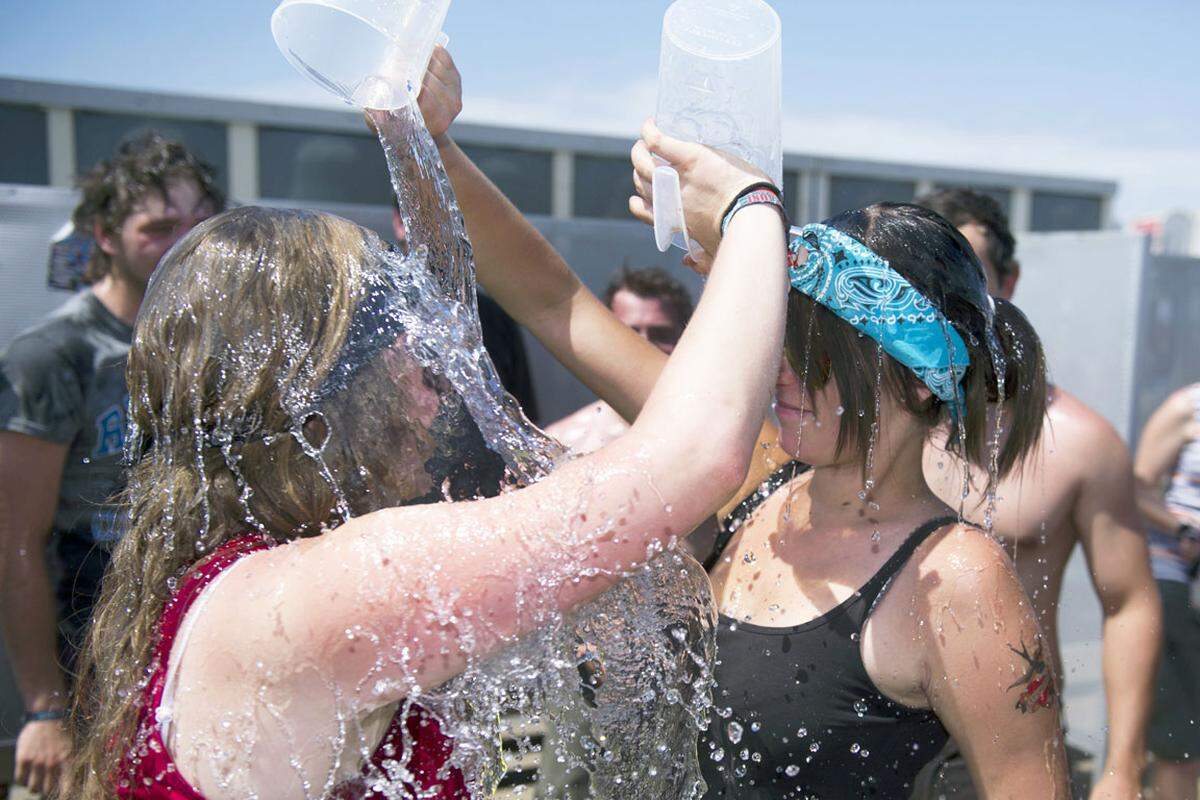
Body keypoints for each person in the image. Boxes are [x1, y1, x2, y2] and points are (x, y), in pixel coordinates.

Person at [64, 47, 792, 799]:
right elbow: (691, 456)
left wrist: (424, 145)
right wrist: (752, 208)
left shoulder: (243, 581)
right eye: (402, 361)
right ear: (322, 401)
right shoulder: (319, 595)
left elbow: (549, 299)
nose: (433, 396)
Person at [444, 115, 1071, 793]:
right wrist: (430, 135)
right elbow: (552, 300)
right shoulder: (749, 473)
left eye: (818, 351)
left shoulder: (957, 580)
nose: (782, 372)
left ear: (919, 381)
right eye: (783, 340)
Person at [914, 188, 1162, 800]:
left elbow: (1129, 603)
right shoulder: (867, 422)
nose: (944, 290)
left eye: (966, 269)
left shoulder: (1080, 442)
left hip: (1008, 733)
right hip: (863, 712)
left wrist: (1122, 770)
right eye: (924, 270)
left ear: (1009, 280)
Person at [0, 132, 224, 796]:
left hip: (188, 651)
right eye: (158, 227)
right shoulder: (57, 355)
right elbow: (15, 542)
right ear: (104, 235)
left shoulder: (209, 341)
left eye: (198, 223)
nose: (182, 241)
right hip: (87, 652)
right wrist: (44, 709)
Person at [391, 198, 541, 423]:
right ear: (399, 223)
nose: (440, 231)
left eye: (454, 219)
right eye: (428, 216)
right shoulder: (374, 309)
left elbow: (522, 420)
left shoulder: (494, 318)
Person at [546, 265, 693, 454]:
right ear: (607, 335)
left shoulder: (718, 433)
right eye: (629, 332)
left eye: (661, 333)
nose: (644, 343)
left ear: (687, 337)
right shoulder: (565, 441)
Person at [1134, 384, 1200, 799]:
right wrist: (1184, 530)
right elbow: (1136, 487)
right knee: (1181, 747)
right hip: (1178, 581)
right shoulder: (1186, 406)